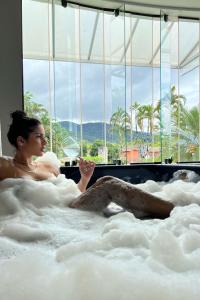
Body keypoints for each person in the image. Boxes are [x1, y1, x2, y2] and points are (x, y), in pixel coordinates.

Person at [0, 111, 174, 219]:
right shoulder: (7, 166)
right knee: (110, 184)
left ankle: (173, 210)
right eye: (39, 137)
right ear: (21, 141)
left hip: (64, 213)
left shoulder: (47, 164)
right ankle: (174, 212)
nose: (45, 141)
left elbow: (74, 195)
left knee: (106, 180)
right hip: (48, 218)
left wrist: (85, 178)